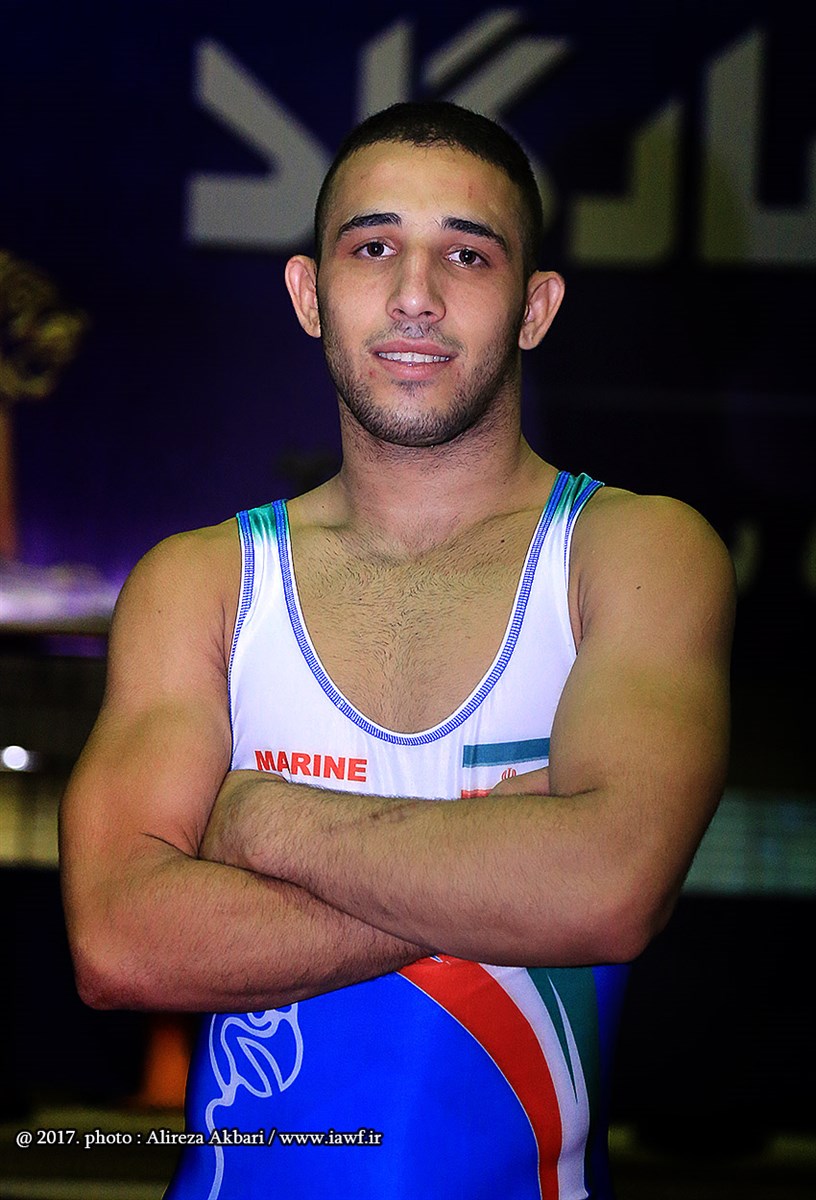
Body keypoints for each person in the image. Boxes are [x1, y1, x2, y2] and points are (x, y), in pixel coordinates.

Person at [60, 101, 735, 1199]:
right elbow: (119, 945)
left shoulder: (632, 554)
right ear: (308, 294)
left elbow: (610, 890)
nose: (416, 294)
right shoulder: (203, 584)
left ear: (536, 307)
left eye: (467, 254)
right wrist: (509, 868)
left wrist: (262, 823)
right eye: (374, 247)